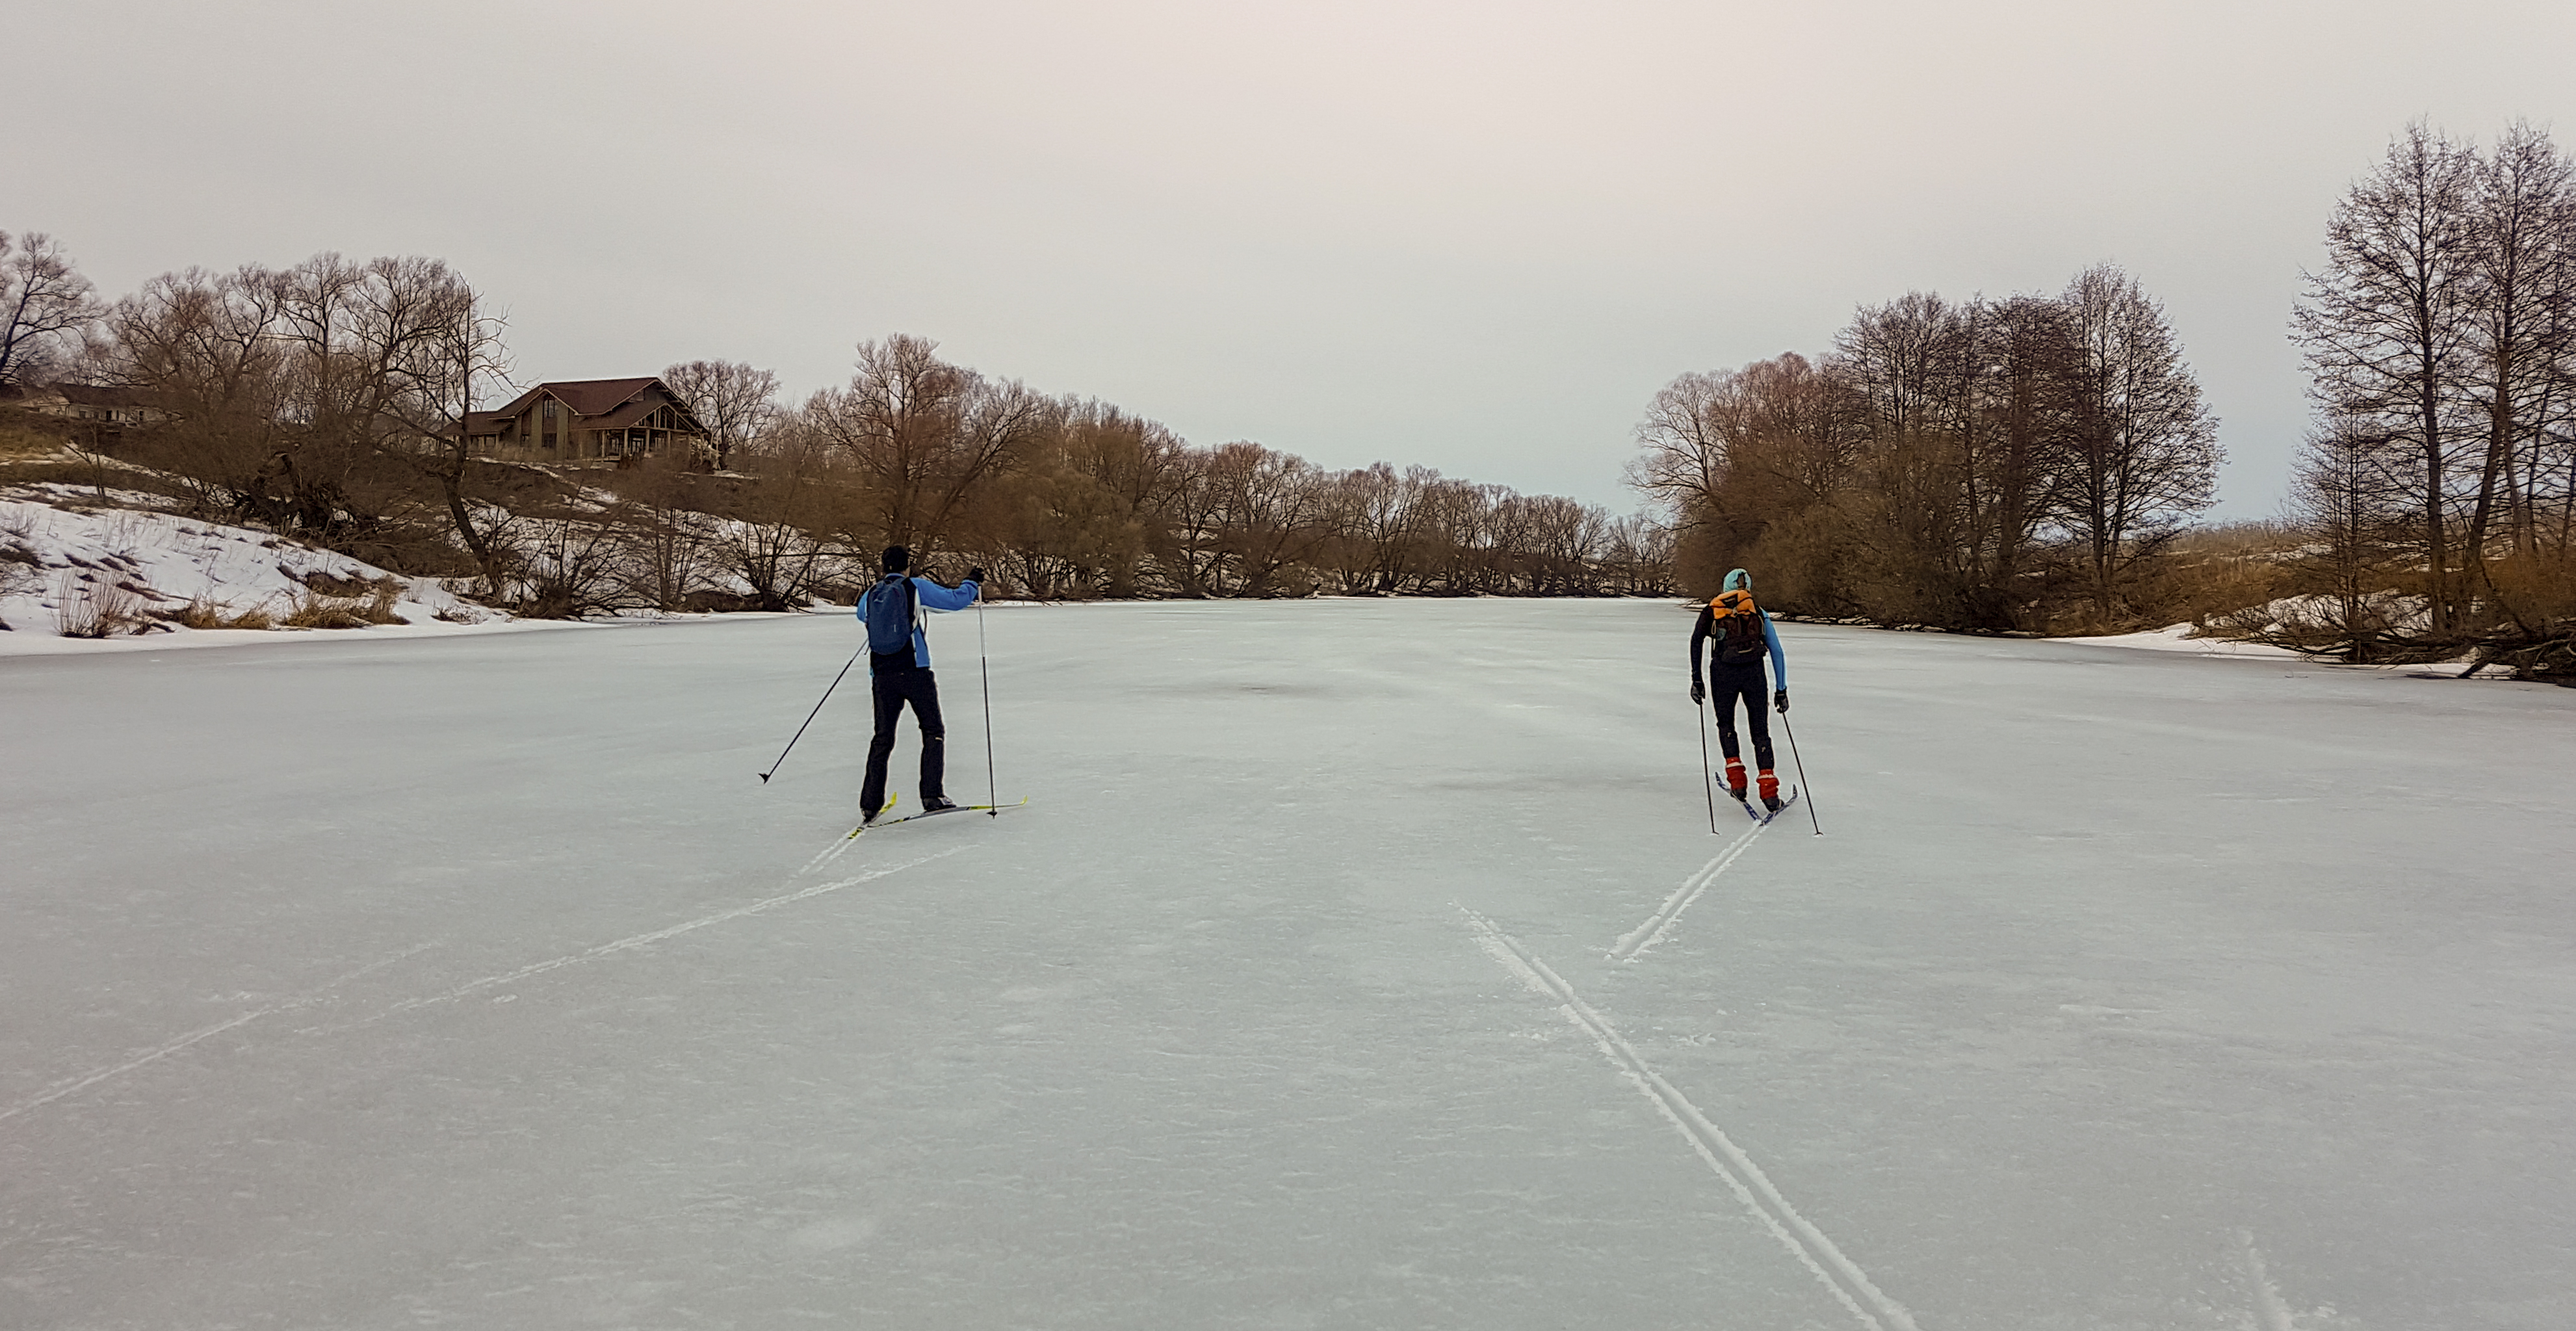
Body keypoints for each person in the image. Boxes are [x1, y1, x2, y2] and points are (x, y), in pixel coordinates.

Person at [857, 545, 982, 823]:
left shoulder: (872, 593)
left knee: (882, 737)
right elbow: (954, 600)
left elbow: (861, 615)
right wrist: (971, 583)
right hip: (914, 670)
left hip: (881, 674)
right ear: (908, 566)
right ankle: (932, 795)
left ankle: (870, 803)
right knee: (932, 730)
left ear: (884, 567)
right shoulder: (915, 586)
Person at [1688, 567, 1790, 813]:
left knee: (1726, 724)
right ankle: (1769, 792)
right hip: (1754, 674)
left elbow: (1696, 641)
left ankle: (1738, 783)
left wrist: (1697, 680)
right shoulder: (1757, 611)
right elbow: (1777, 651)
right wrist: (1781, 689)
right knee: (1760, 731)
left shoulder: (1712, 610)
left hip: (1722, 674)